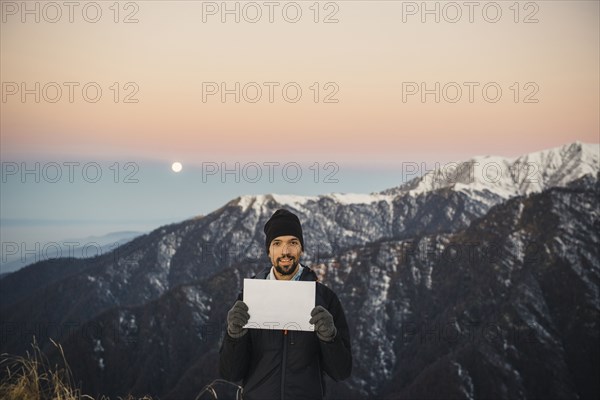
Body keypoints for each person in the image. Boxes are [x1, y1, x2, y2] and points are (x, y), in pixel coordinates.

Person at [219, 209, 352, 399]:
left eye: (293, 243)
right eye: (277, 243)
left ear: (301, 249)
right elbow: (231, 373)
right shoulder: (249, 299)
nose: (286, 251)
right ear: (269, 251)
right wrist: (234, 336)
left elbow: (341, 372)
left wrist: (330, 338)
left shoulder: (325, 299)